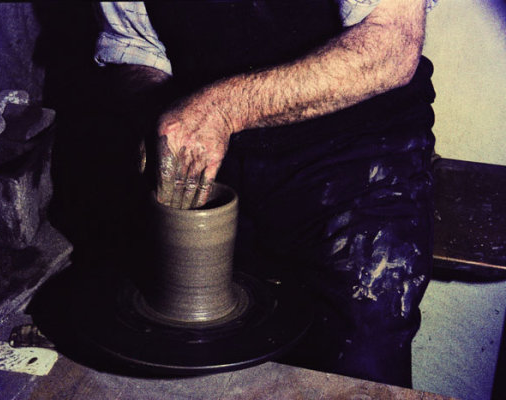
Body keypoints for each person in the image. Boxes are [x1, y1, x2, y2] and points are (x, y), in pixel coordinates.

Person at [95, 0, 437, 388]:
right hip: (214, 150)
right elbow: (134, 50)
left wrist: (222, 110)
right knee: (178, 351)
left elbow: (391, 44)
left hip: (355, 150)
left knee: (358, 358)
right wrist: (160, 115)